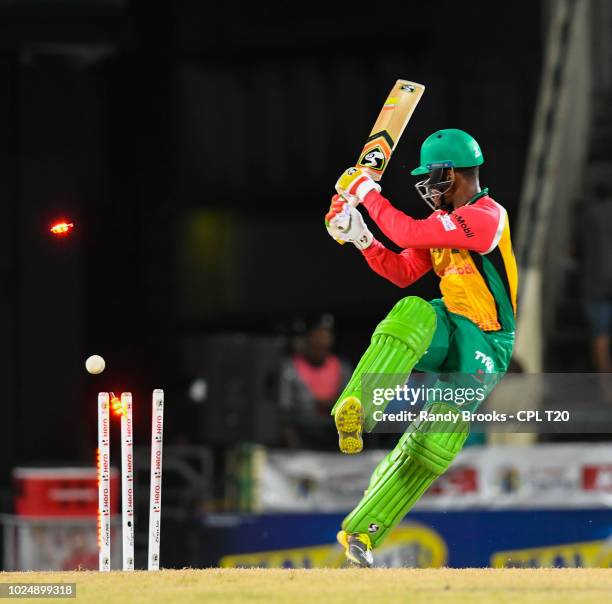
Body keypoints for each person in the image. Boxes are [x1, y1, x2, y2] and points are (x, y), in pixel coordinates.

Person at [325, 129, 517, 566]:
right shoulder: (439, 226)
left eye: (430, 180)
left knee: (434, 441)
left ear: (449, 174)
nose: (428, 191)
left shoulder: (488, 216)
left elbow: (406, 228)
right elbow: (402, 270)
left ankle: (362, 534)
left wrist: (366, 196)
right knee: (410, 310)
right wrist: (360, 236)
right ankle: (356, 407)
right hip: (449, 324)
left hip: (487, 342)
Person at [279, 315, 352, 449]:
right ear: (306, 339)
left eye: (326, 336)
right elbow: (284, 409)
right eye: (316, 336)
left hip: (335, 440)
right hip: (301, 440)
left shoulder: (342, 368)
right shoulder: (290, 368)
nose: (321, 342)